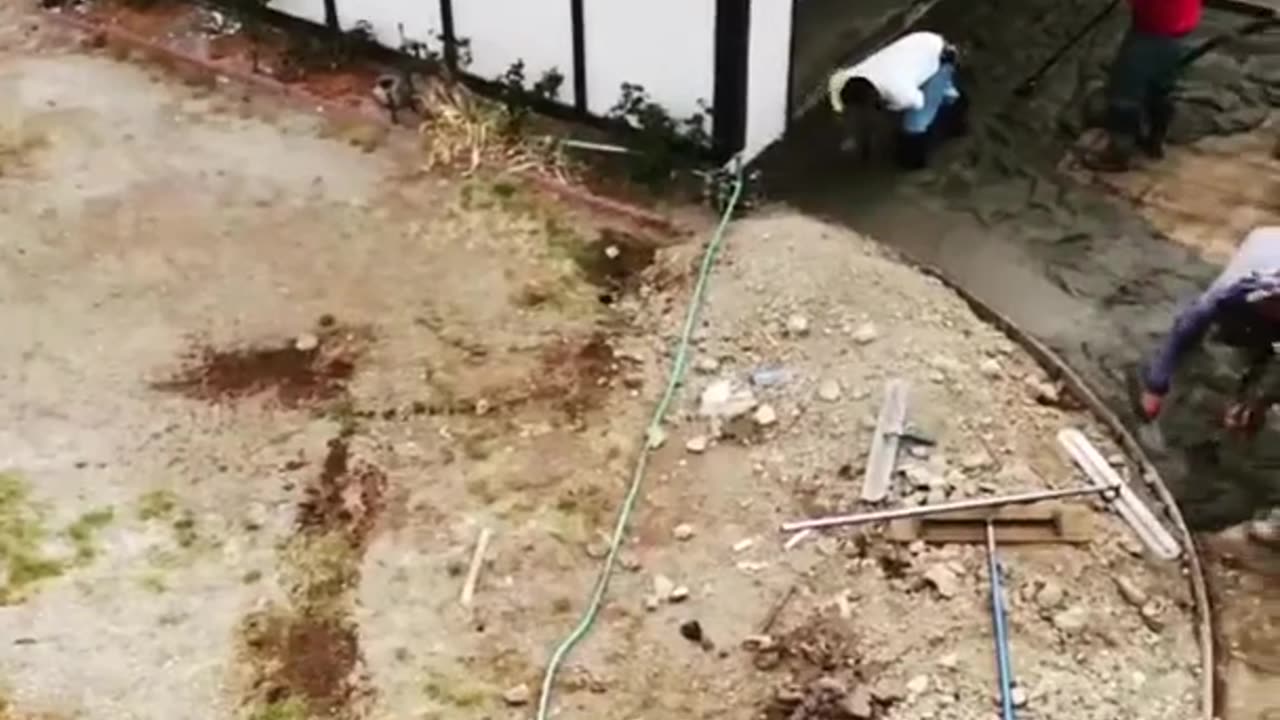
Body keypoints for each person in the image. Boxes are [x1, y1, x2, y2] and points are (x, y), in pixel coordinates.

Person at [1139, 227, 1280, 546]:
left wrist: (1252, 401)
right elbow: (1186, 326)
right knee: (1223, 344)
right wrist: (1156, 384)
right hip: (1261, 258)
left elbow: (1274, 363)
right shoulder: (1230, 293)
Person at [1085, 0, 1203, 171]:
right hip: (1177, 28)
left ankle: (1119, 152)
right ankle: (1154, 139)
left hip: (1152, 28)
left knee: (1124, 91)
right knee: (1160, 87)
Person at [828, 31, 966, 169]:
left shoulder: (900, 92)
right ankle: (948, 94)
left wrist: (892, 110)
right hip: (920, 44)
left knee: (914, 125)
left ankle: (917, 162)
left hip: (938, 55)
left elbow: (918, 102)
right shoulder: (839, 80)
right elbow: (842, 111)